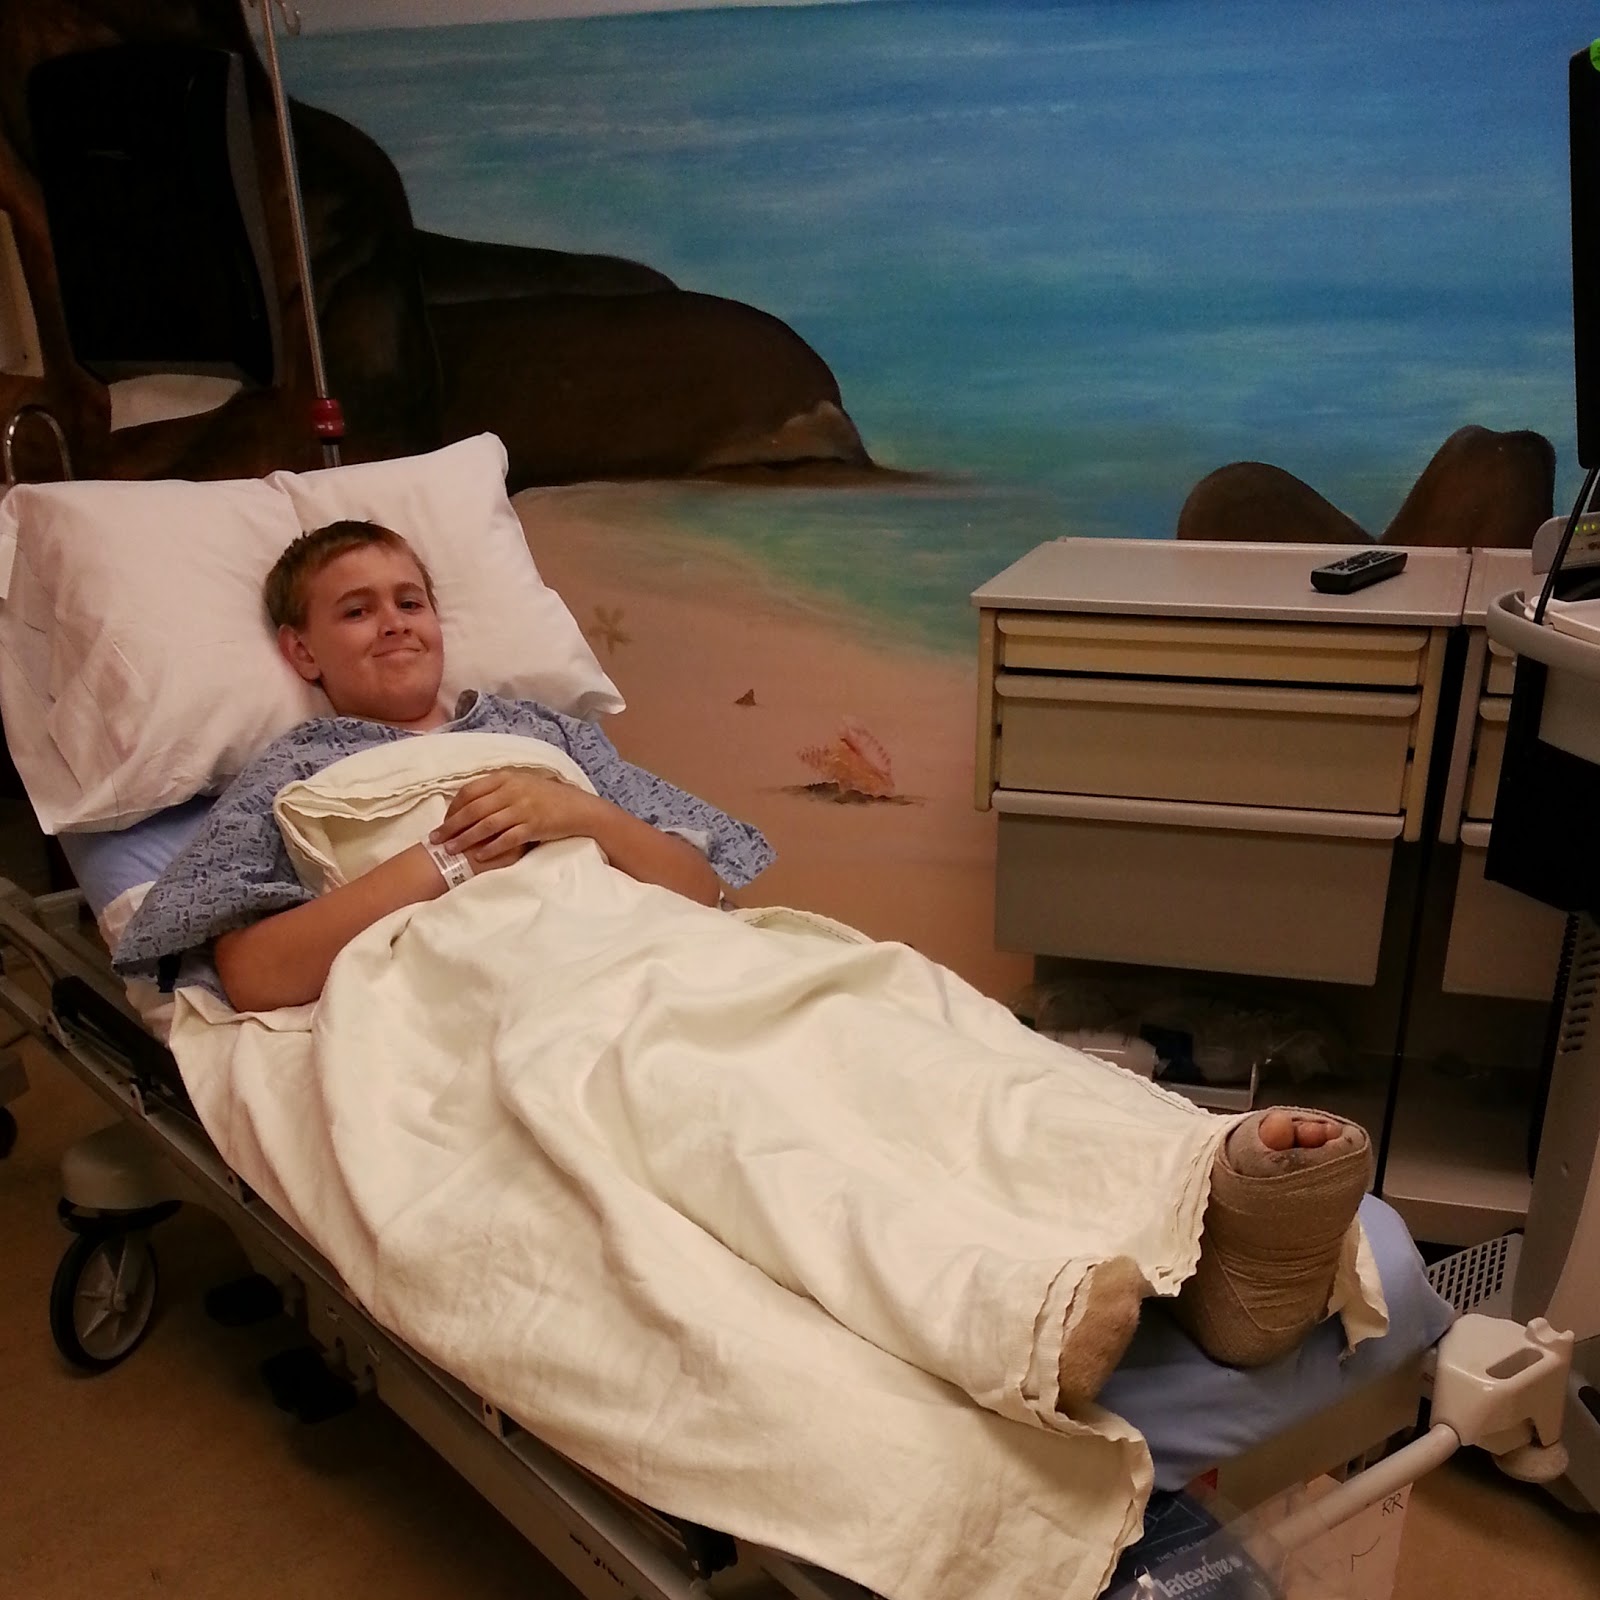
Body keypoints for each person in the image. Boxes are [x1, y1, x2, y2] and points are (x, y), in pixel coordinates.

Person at [115, 519, 1373, 1391]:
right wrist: (439, 862)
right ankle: (1016, 1309)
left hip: (658, 937)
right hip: (516, 983)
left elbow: (699, 880)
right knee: (725, 1111)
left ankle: (1201, 1185)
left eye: (410, 599)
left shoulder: (540, 731)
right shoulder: (289, 774)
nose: (395, 622)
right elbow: (255, 976)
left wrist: (577, 814)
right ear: (301, 652)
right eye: (356, 609)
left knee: (904, 1025)